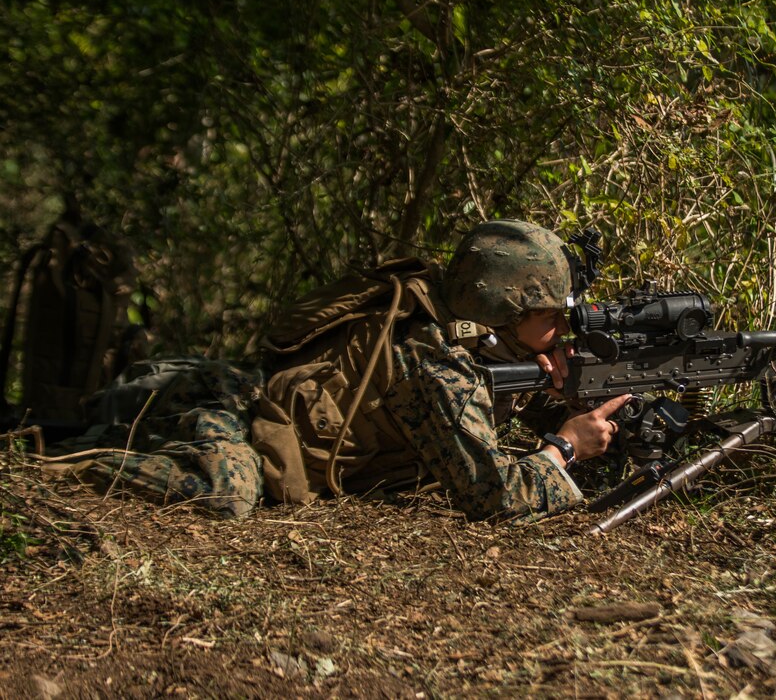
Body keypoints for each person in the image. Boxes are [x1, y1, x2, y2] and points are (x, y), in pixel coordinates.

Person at [46, 220, 629, 521]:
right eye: (551, 315)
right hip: (234, 411)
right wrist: (564, 449)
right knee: (226, 496)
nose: (563, 329)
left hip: (254, 407)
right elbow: (491, 494)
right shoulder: (435, 360)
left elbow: (475, 434)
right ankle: (61, 461)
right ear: (504, 311)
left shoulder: (476, 342)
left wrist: (562, 391)